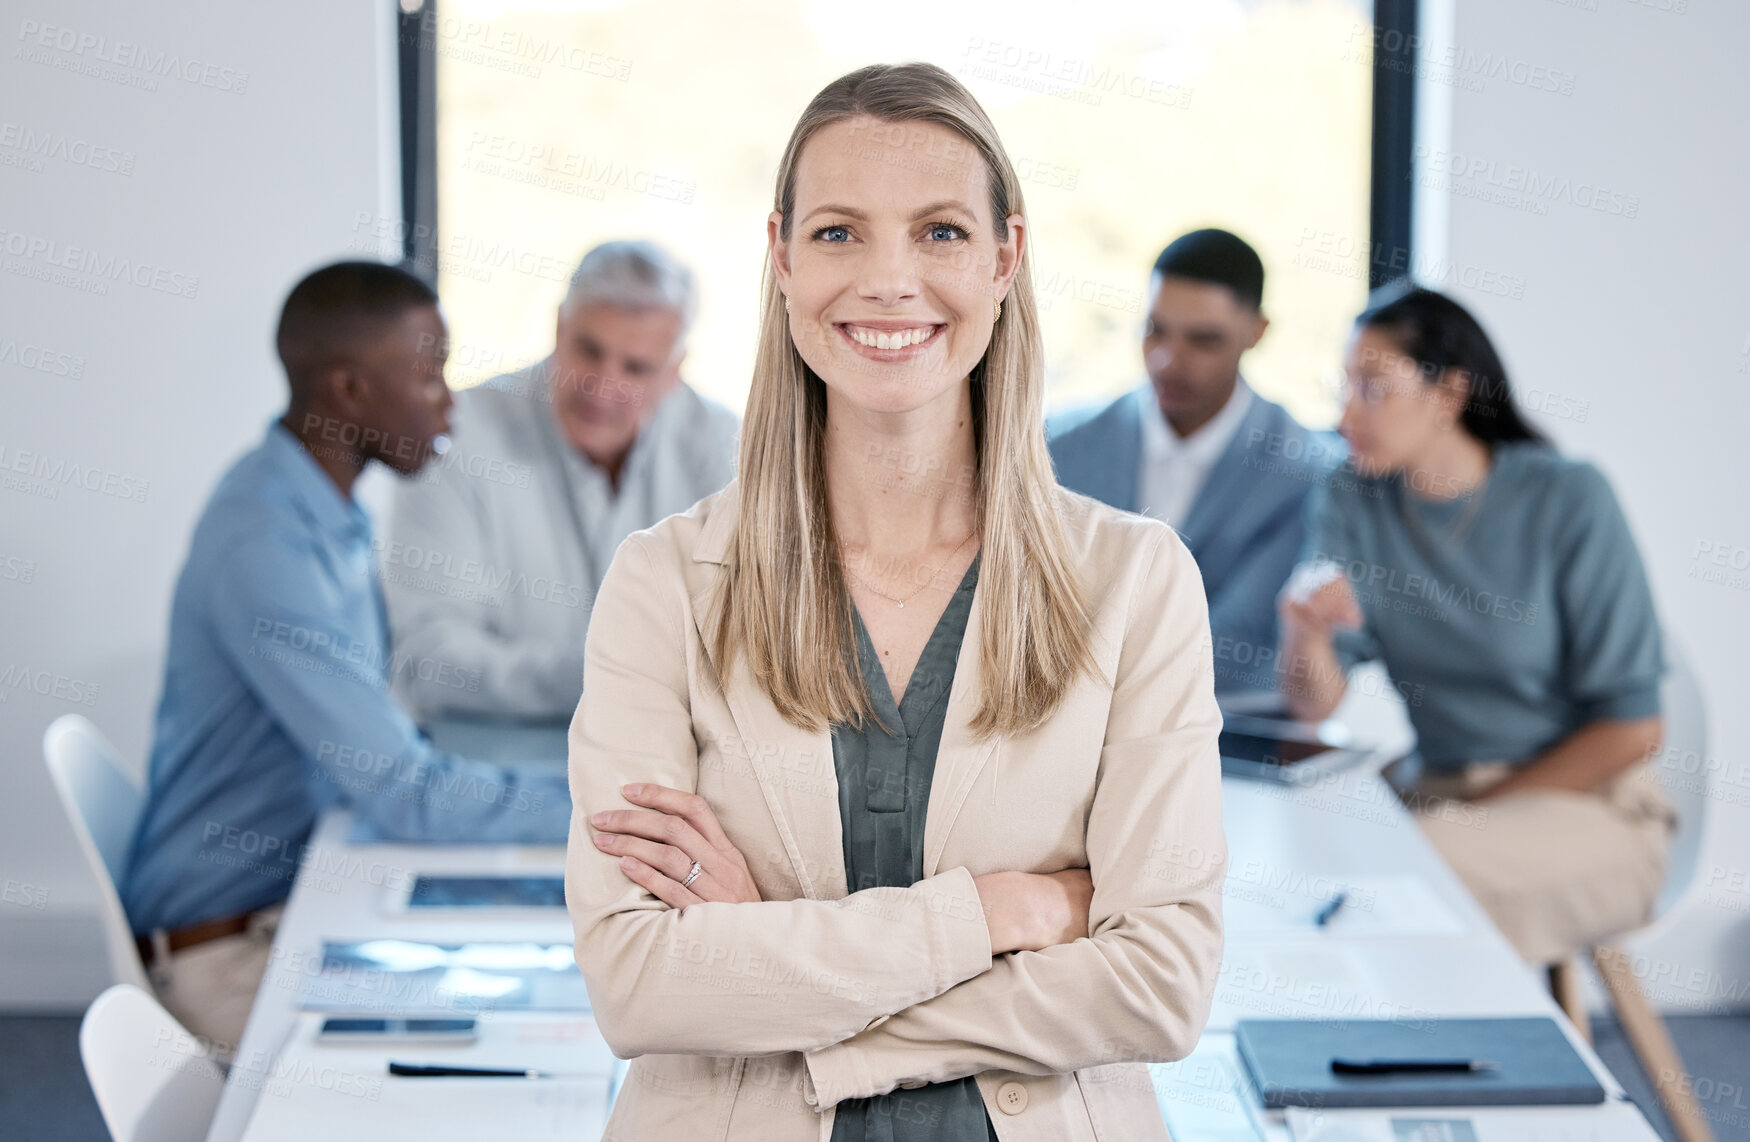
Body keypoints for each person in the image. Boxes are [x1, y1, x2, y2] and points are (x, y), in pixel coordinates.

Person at [564, 63, 1225, 1141]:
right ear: (779, 256)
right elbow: (639, 982)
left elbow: (1157, 982)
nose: (887, 280)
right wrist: (1000, 911)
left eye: (939, 233)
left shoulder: (1135, 580)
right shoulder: (666, 583)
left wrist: (781, 957)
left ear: (1006, 255)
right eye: (837, 233)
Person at [120, 261, 572, 1062]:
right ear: (349, 391)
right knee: (516, 1040)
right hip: (227, 957)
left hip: (291, 904)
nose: (448, 402)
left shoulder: (319, 506)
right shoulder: (267, 544)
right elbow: (404, 792)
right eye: (429, 375)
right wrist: (610, 811)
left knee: (544, 988)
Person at [1277, 281, 1673, 966]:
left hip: (1592, 808)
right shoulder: (1351, 496)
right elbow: (1319, 704)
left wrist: (1477, 812)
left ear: (1449, 394)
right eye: (1341, 385)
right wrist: (1304, 630)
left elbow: (1635, 728)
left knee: (1416, 875)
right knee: (1299, 859)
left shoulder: (1567, 497)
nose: (1345, 414)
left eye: (1373, 387)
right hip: (1439, 791)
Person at [381, 240, 739, 722]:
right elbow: (426, 661)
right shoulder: (457, 438)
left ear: (674, 372)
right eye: (589, 351)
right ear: (558, 328)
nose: (603, 386)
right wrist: (603, 676)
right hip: (496, 770)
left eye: (636, 368)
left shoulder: (727, 449)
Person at [1048, 229, 1339, 695]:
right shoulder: (1056, 445)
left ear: (1256, 333)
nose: (1167, 360)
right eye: (1154, 330)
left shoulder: (1306, 473)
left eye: (1203, 341)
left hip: (1225, 743)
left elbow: (1236, 637)